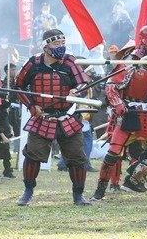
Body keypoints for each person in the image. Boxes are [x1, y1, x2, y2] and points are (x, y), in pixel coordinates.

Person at [91, 25, 147, 202]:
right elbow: (112, 86)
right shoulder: (130, 61)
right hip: (129, 115)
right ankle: (100, 189)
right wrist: (119, 104)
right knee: (113, 153)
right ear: (146, 43)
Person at [14, 28, 90, 206]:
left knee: (77, 158)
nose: (61, 47)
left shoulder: (70, 62)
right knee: (32, 155)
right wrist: (32, 106)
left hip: (67, 117)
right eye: (57, 43)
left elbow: (84, 84)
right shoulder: (34, 64)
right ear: (46, 46)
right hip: (42, 118)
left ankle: (78, 195)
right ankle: (28, 191)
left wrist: (76, 91)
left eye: (63, 43)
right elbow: (18, 86)